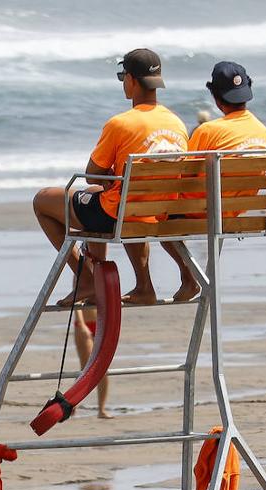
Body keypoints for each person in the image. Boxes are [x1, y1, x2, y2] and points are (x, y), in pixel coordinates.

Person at [32, 48, 187, 306]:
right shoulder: (177, 123)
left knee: (43, 200)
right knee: (120, 199)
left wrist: (109, 177)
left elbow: (93, 173)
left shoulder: (121, 123)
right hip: (156, 211)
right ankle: (144, 286)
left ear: (132, 80)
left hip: (116, 215)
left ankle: (86, 280)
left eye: (122, 76)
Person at [163, 61, 266, 302]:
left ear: (215, 97)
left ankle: (187, 275)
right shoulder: (263, 131)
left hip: (203, 213)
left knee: (154, 211)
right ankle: (191, 278)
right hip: (236, 212)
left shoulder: (208, 131)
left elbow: (182, 175)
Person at [73, 307, 112, 418]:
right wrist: (81, 324)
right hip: (84, 324)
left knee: (103, 368)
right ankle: (71, 403)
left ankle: (101, 409)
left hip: (100, 323)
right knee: (86, 368)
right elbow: (77, 301)